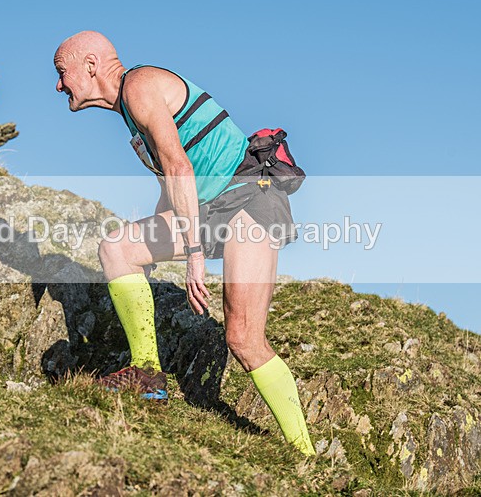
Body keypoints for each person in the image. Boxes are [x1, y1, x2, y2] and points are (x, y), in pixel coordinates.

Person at [53, 31, 315, 456]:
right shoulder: (130, 113)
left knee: (243, 338)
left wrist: (194, 256)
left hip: (252, 198)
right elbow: (171, 190)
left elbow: (179, 167)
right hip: (209, 210)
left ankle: (304, 454)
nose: (59, 85)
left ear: (90, 64)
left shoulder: (138, 86)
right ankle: (148, 375)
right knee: (117, 248)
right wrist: (152, 250)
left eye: (62, 73)